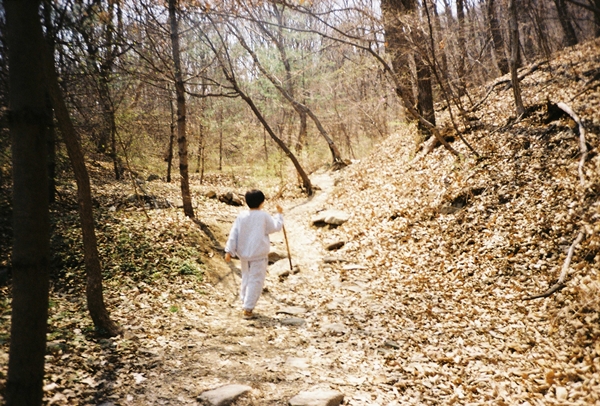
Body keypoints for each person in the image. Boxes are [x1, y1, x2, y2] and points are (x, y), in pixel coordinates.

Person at [224, 189, 283, 319]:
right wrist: (279, 215)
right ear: (262, 202)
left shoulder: (242, 216)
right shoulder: (264, 216)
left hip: (244, 255)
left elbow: (234, 233)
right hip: (259, 254)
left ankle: (245, 301)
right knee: (256, 280)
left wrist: (229, 251)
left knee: (246, 277)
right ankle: (248, 308)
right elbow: (275, 227)